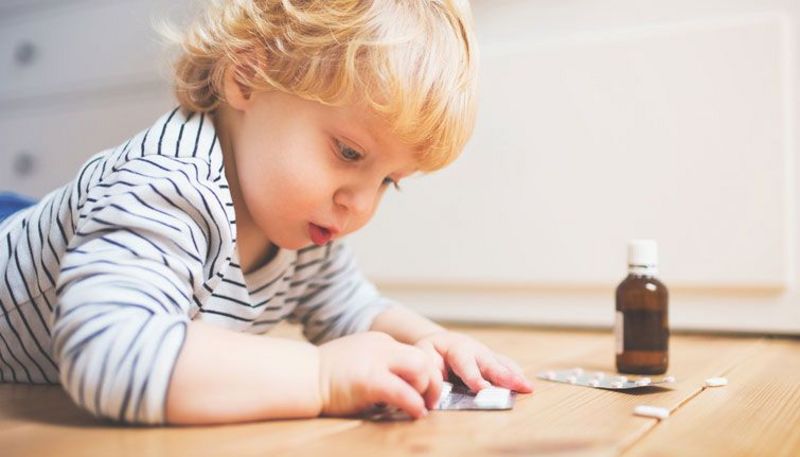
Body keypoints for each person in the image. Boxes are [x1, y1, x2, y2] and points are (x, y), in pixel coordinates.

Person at [0, 0, 532, 425]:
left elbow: (350, 306)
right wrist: (321, 375)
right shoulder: (169, 185)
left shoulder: (300, 224)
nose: (361, 204)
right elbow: (113, 354)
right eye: (348, 153)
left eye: (388, 182)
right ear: (248, 78)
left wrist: (429, 340)